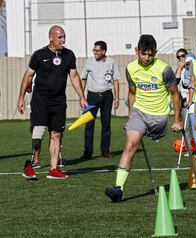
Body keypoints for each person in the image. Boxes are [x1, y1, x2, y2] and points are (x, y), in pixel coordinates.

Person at [105, 34, 183, 202]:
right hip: (139, 112)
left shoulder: (164, 69)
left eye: (150, 54)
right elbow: (132, 93)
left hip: (159, 117)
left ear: (155, 52)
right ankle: (118, 189)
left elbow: (175, 94)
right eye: (143, 54)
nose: (147, 58)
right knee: (130, 145)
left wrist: (177, 120)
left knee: (137, 140)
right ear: (136, 51)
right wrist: (131, 116)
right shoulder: (131, 68)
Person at [17, 25, 88, 180]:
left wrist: (82, 97)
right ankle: (29, 165)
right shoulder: (39, 55)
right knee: (39, 131)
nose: (63, 40)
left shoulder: (69, 55)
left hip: (58, 101)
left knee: (56, 134)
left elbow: (74, 77)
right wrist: (21, 97)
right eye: (60, 37)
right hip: (40, 99)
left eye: (64, 37)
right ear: (51, 38)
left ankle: (54, 169)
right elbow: (28, 76)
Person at [80, 41, 120, 159]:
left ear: (103, 51)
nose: (95, 53)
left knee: (106, 125)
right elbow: (83, 78)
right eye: (94, 50)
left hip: (107, 96)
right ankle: (87, 152)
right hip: (91, 96)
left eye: (97, 51)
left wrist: (117, 98)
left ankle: (105, 151)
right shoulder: (89, 62)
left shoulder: (111, 62)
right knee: (89, 125)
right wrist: (82, 97)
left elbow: (116, 80)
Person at [175, 50, 196, 157]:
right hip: (185, 102)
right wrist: (179, 68)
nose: (181, 58)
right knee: (187, 127)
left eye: (183, 56)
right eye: (179, 57)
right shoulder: (182, 70)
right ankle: (191, 149)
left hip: (195, 101)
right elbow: (176, 82)